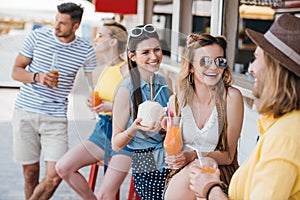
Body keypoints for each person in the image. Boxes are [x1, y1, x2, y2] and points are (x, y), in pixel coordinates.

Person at [189, 14, 300, 200]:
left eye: (256, 58)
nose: (250, 68)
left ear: (275, 68)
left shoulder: (285, 137)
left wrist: (210, 189)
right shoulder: (279, 125)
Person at [11, 3, 96, 200]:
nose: (56, 26)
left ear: (76, 26)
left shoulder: (85, 49)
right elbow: (16, 71)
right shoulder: (37, 37)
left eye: (63, 23)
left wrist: (95, 96)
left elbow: (95, 84)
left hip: (56, 117)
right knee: (30, 173)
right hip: (26, 112)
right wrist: (37, 77)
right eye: (56, 20)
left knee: (56, 174)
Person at [55, 20, 132, 200]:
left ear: (113, 42)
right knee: (63, 167)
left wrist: (111, 107)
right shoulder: (100, 71)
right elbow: (101, 99)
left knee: (106, 194)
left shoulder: (128, 70)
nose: (95, 39)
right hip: (102, 130)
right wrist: (93, 103)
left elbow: (139, 106)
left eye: (100, 35)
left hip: (126, 136)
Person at [163, 33, 244, 200]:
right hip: (182, 176)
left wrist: (193, 156)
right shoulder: (176, 102)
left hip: (220, 176)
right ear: (191, 66)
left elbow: (228, 156)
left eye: (219, 61)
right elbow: (173, 150)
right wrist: (168, 138)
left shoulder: (231, 98)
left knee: (200, 166)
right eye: (205, 61)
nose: (214, 67)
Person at [111, 24, 172, 199]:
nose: (154, 56)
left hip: (171, 158)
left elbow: (176, 119)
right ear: (133, 56)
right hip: (145, 161)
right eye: (145, 52)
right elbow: (116, 144)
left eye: (157, 50)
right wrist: (135, 128)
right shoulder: (125, 90)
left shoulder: (164, 81)